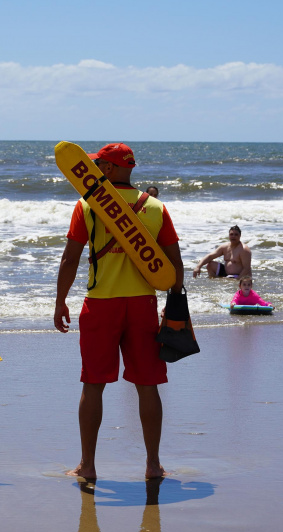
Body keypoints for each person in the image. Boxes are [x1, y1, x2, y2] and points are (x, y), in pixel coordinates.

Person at [54, 142, 185, 480]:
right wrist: (174, 307)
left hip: (101, 304)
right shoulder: (155, 207)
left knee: (93, 384)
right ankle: (153, 464)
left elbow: (70, 259)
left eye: (98, 165)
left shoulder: (87, 204)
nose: (94, 170)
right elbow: (175, 265)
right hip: (143, 305)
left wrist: (60, 301)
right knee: (148, 385)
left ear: (109, 169)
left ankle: (87, 465)